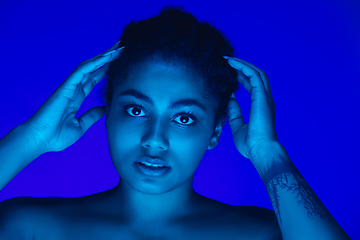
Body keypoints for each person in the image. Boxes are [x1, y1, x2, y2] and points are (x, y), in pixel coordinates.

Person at [0, 5, 350, 239]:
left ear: (214, 133)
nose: (154, 139)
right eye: (136, 110)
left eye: (183, 118)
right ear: (107, 115)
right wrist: (30, 139)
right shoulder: (30, 227)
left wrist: (270, 156)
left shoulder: (265, 234)